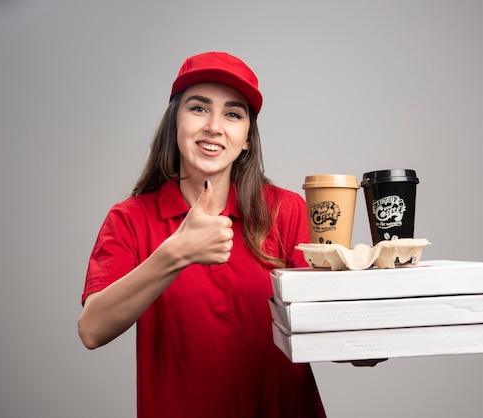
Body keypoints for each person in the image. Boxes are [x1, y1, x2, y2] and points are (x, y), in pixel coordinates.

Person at [78, 51, 380, 418]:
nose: (214, 127)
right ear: (175, 123)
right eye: (199, 108)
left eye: (233, 114)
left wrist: (367, 340)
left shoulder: (286, 211)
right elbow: (92, 330)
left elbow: (326, 329)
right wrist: (175, 254)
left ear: (247, 139)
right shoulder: (130, 219)